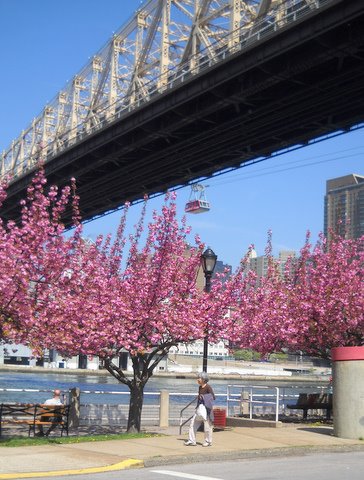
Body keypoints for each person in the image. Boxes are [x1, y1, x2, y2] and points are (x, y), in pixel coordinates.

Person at [184, 372, 215, 447]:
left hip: (206, 409)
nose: (197, 379)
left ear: (203, 379)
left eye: (199, 378)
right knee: (192, 424)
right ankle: (192, 440)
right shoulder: (200, 387)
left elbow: (213, 397)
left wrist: (203, 397)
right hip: (199, 408)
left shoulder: (208, 387)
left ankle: (208, 441)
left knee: (207, 426)